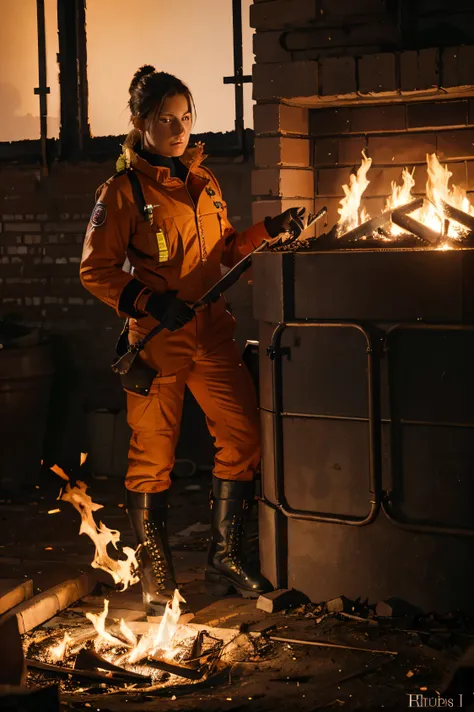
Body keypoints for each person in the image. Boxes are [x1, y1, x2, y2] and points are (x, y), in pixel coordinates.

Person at [80, 65, 309, 615]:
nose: (179, 129)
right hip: (158, 340)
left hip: (213, 336)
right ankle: (158, 580)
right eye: (166, 119)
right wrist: (149, 300)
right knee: (150, 458)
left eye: (186, 118)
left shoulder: (204, 182)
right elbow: (95, 270)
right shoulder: (121, 191)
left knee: (244, 438)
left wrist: (269, 231)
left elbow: (226, 251)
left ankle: (225, 557)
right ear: (140, 122)